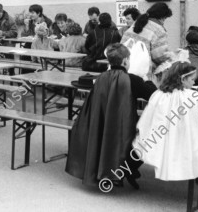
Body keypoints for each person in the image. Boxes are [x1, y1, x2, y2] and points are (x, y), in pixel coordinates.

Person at [66, 43, 156, 189]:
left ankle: (109, 170)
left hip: (99, 125)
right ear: (126, 61)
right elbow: (154, 95)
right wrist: (147, 80)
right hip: (122, 130)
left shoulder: (101, 78)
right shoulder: (133, 80)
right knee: (150, 136)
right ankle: (126, 169)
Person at [133, 61, 198, 181]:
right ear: (183, 80)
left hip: (160, 136)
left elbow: (147, 117)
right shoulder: (190, 95)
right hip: (185, 135)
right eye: (192, 79)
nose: (194, 82)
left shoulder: (158, 94)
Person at [121, 2, 174, 82]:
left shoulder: (137, 23)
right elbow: (159, 56)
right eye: (165, 19)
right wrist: (173, 58)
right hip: (142, 74)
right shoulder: (158, 29)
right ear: (162, 17)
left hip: (125, 69)